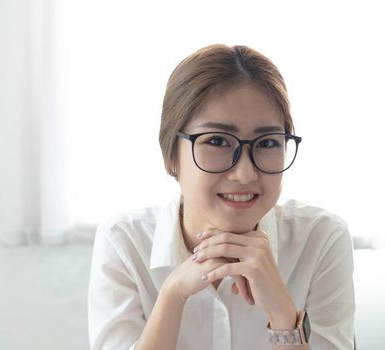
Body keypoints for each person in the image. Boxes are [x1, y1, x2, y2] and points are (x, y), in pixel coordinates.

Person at [87, 44, 355, 349]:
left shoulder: (320, 239)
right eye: (216, 140)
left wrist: (282, 313)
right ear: (171, 156)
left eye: (267, 143)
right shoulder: (125, 241)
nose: (245, 174)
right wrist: (173, 294)